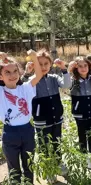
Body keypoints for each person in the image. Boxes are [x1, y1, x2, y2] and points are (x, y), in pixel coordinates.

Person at [22, 50, 71, 182]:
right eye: (40, 64)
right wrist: (26, 73)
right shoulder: (31, 80)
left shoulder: (54, 78)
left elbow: (67, 85)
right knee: (43, 144)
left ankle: (58, 163)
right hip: (41, 120)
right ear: (35, 65)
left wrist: (64, 69)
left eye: (46, 64)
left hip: (56, 118)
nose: (43, 67)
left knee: (57, 141)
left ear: (50, 64)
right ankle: (48, 169)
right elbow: (21, 89)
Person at [0, 50, 43, 184]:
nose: (12, 75)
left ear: (19, 73)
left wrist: (35, 57)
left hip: (27, 131)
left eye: (15, 71)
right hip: (10, 133)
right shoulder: (1, 92)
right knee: (14, 169)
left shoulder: (25, 88)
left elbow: (39, 75)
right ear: (0, 76)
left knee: (29, 165)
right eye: (7, 72)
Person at [68, 57, 91, 169]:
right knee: (82, 135)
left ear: (89, 66)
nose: (83, 68)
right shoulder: (73, 80)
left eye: (85, 66)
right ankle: (83, 157)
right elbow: (66, 83)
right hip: (80, 113)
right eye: (80, 66)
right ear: (76, 68)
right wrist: (69, 68)